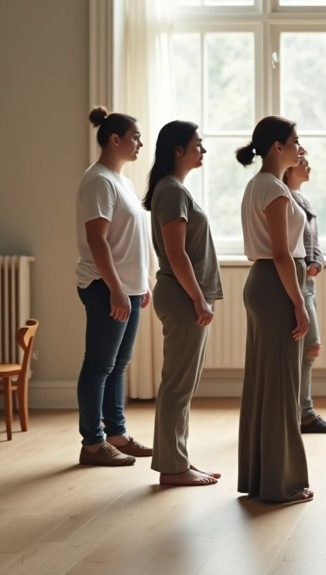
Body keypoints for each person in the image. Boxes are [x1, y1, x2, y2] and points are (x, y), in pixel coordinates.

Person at [235, 116, 312, 504]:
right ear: (276, 148)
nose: (300, 148)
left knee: (264, 385)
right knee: (282, 387)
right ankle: (281, 484)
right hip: (277, 285)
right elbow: (282, 253)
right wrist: (299, 303)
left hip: (262, 282)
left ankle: (260, 477)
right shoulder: (275, 190)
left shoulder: (259, 185)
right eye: (295, 141)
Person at [145, 120, 223, 486]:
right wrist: (198, 299)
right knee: (178, 385)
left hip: (184, 296)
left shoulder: (173, 189)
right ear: (178, 150)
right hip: (182, 298)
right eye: (198, 144)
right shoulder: (172, 191)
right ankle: (174, 468)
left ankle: (177, 462)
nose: (202, 150)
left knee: (181, 384)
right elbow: (176, 253)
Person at [75, 106, 153, 467]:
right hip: (106, 287)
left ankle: (116, 435)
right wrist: (118, 289)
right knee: (99, 366)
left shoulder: (122, 180)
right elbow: (97, 241)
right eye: (135, 137)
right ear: (114, 139)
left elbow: (130, 236)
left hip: (128, 288)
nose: (140, 143)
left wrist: (140, 283)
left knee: (118, 365)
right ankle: (92, 443)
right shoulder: (98, 181)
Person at [283, 155, 326, 434]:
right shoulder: (284, 199)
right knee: (311, 347)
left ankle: (302, 413)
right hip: (297, 283)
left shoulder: (304, 201)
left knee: (309, 350)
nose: (307, 164)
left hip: (309, 282)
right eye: (302, 160)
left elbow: (313, 243)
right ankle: (302, 414)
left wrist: (317, 262)